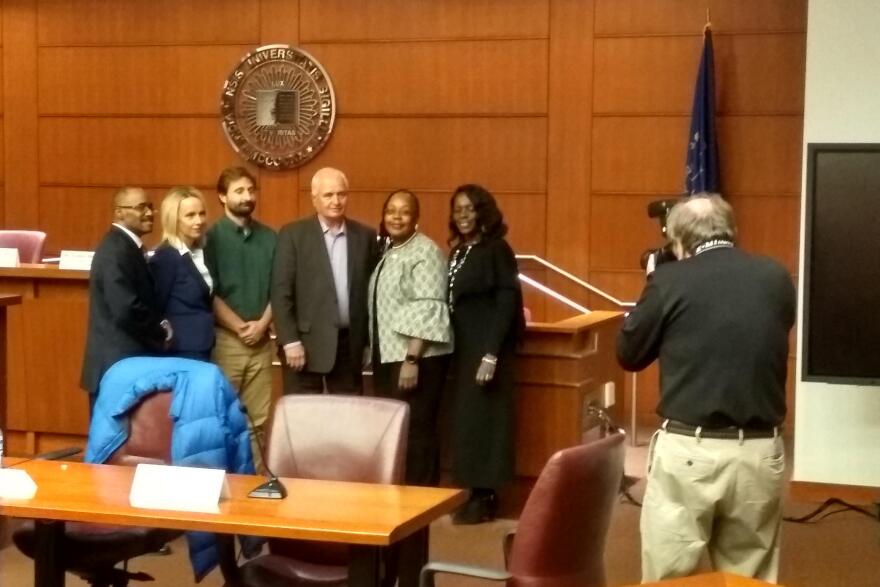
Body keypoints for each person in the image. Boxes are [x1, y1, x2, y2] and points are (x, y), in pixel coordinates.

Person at [616, 194, 796, 583]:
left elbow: (629, 353)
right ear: (731, 230)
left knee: (672, 576)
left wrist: (653, 280)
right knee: (749, 577)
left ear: (678, 239)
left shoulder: (668, 280)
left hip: (690, 452)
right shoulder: (777, 277)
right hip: (761, 452)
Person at [447, 183, 525, 524]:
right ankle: (472, 491)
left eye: (470, 208)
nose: (463, 215)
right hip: (462, 350)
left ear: (484, 212)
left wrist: (491, 354)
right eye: (457, 209)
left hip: (486, 350)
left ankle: (486, 495)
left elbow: (507, 303)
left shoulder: (497, 250)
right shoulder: (458, 251)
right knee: (467, 423)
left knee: (486, 422)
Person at [368, 189, 453, 486]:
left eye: (404, 211)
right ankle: (401, 498)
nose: (396, 216)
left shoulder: (425, 251)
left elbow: (429, 307)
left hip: (416, 359)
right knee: (398, 430)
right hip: (390, 356)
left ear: (415, 217)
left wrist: (412, 359)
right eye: (391, 210)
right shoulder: (391, 251)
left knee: (417, 431)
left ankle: (421, 501)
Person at [272, 167, 379, 394]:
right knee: (303, 419)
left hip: (348, 347)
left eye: (341, 194)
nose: (336, 201)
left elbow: (371, 294)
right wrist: (290, 341)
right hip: (303, 346)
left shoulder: (365, 236)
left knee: (346, 419)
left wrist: (367, 343)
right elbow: (281, 292)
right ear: (314, 199)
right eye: (328, 195)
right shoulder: (293, 235)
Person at [205, 166, 277, 475]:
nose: (247, 197)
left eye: (250, 190)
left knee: (257, 422)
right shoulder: (209, 238)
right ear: (222, 196)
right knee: (221, 418)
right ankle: (223, 488)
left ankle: (253, 490)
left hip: (262, 342)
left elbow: (280, 287)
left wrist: (262, 325)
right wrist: (239, 327)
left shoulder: (271, 237)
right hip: (226, 342)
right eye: (239, 191)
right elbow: (209, 292)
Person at [80, 186, 170, 406]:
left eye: (150, 207)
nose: (149, 213)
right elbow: (126, 309)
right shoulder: (116, 251)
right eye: (141, 208)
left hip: (124, 364)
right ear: (119, 212)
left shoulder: (126, 247)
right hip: (117, 366)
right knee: (114, 438)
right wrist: (161, 332)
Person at [150, 187, 214, 361]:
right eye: (190, 215)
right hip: (179, 349)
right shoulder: (165, 257)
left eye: (202, 213)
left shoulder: (201, 252)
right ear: (174, 220)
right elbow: (156, 306)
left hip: (203, 346)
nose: (199, 220)